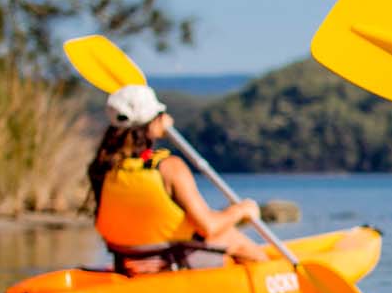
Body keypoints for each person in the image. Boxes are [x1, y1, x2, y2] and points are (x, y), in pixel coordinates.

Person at [88, 84, 267, 276]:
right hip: (175, 257)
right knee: (235, 240)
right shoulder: (169, 167)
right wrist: (240, 210)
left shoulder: (103, 169)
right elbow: (209, 227)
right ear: (155, 121)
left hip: (128, 259)